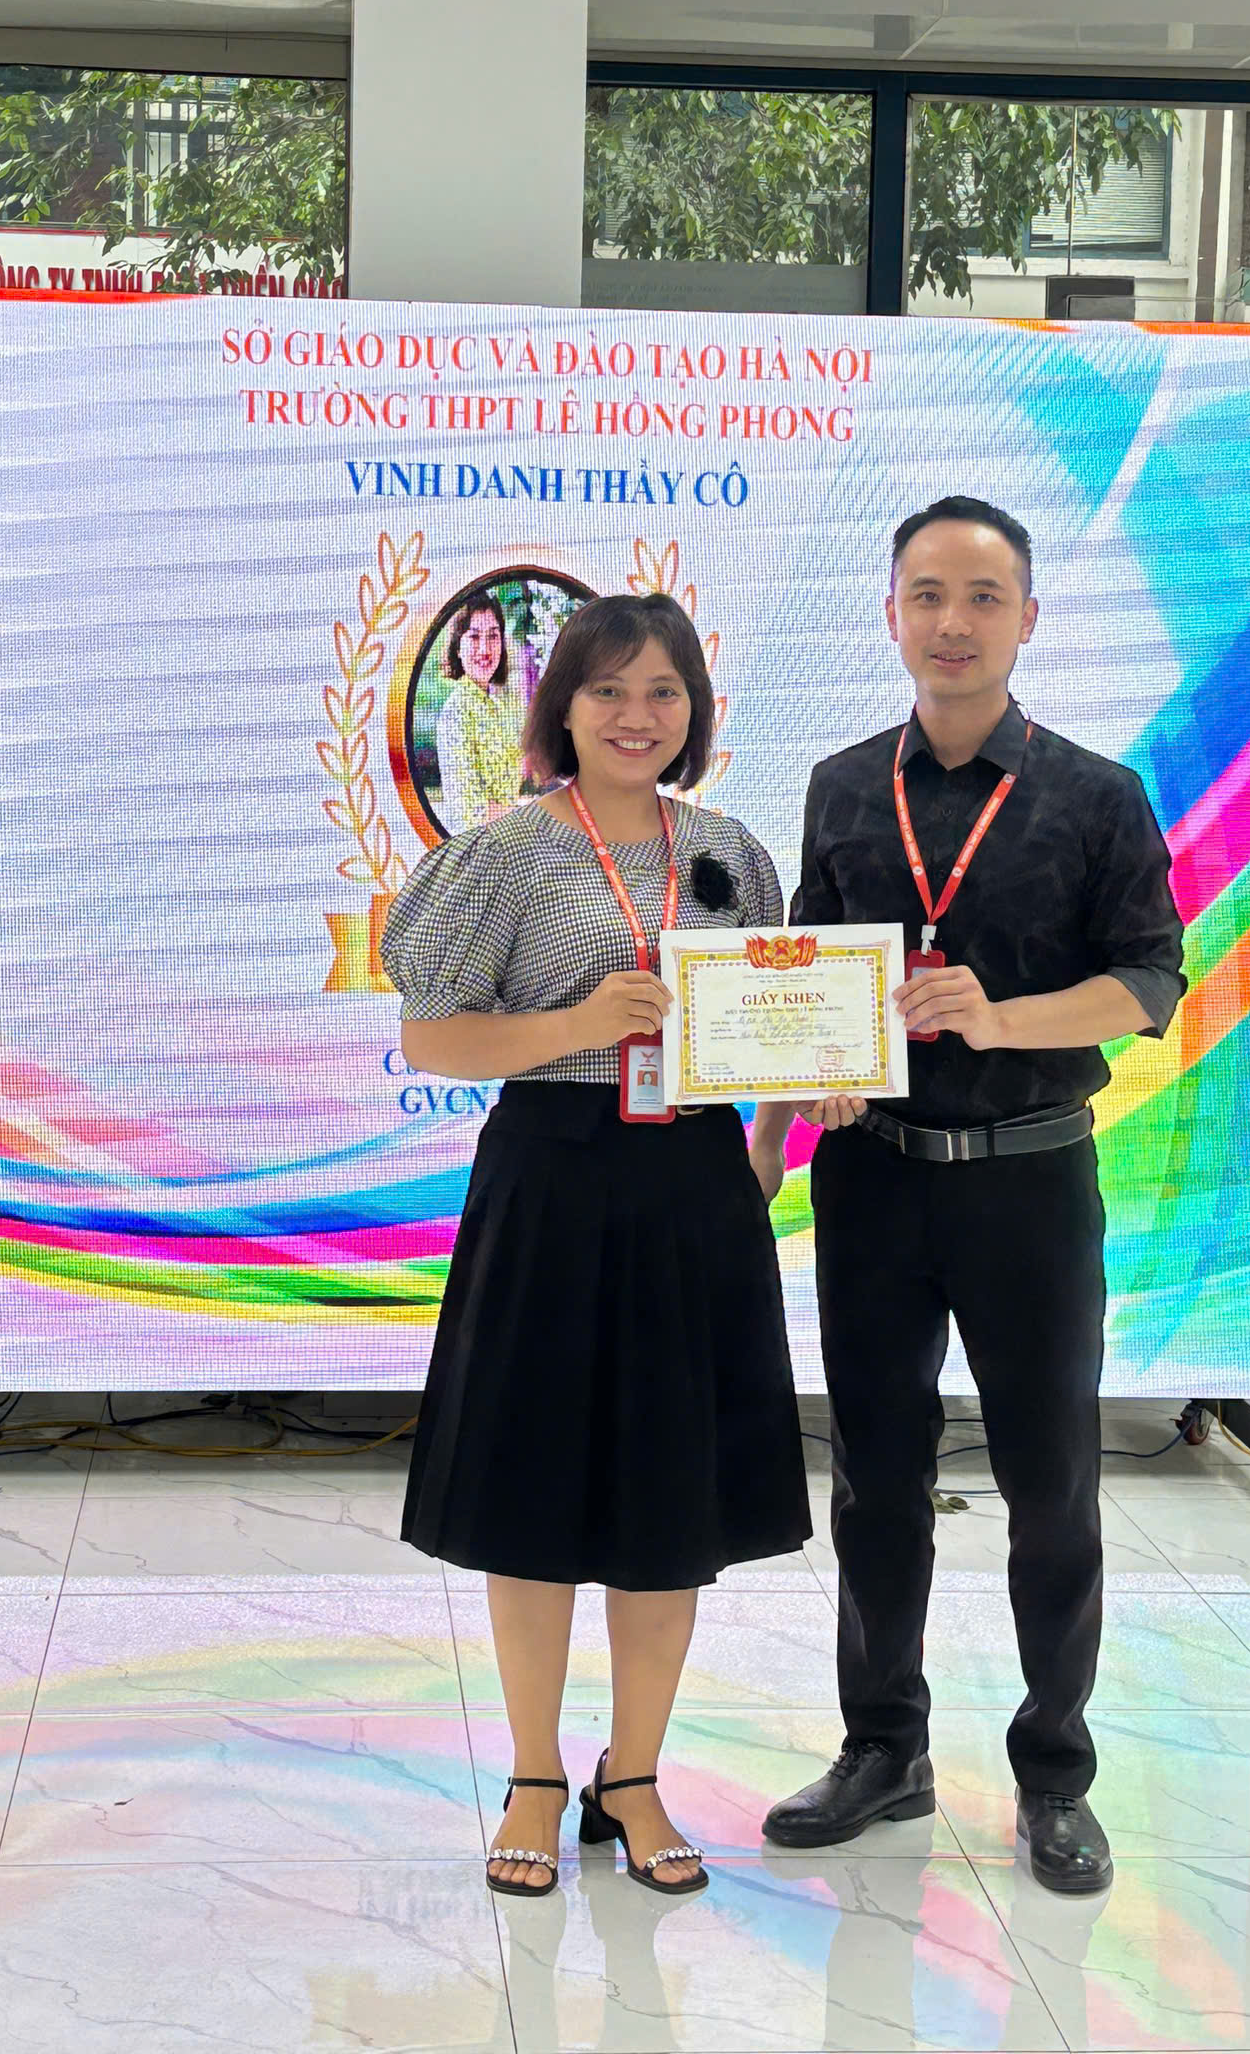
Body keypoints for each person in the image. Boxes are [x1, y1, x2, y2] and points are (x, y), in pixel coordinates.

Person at [751, 496, 1185, 1896]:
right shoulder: (839, 785)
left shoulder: (1097, 795)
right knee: (875, 1477)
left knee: (1051, 1483)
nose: (953, 622)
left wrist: (1001, 1020)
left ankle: (1056, 1771)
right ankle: (884, 1746)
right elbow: (802, 979)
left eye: (983, 597)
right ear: (891, 614)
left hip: (1030, 1180)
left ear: (1028, 619)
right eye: (927, 595)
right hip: (873, 1179)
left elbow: (1151, 983)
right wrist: (779, 1122)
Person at [382, 591, 810, 1901]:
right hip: (551, 1178)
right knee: (533, 1485)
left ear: (694, 712)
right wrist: (579, 1021)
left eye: (664, 690)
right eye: (609, 689)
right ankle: (532, 1773)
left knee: (670, 1497)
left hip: (694, 1187)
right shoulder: (505, 853)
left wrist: (766, 1148)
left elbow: (781, 1025)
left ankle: (635, 1774)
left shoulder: (732, 853)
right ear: (561, 707)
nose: (638, 714)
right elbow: (432, 1037)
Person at [434, 594, 526, 832]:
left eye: (493, 636)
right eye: (474, 636)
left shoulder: (499, 706)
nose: (485, 649)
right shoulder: (456, 712)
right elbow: (471, 810)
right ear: (457, 647)